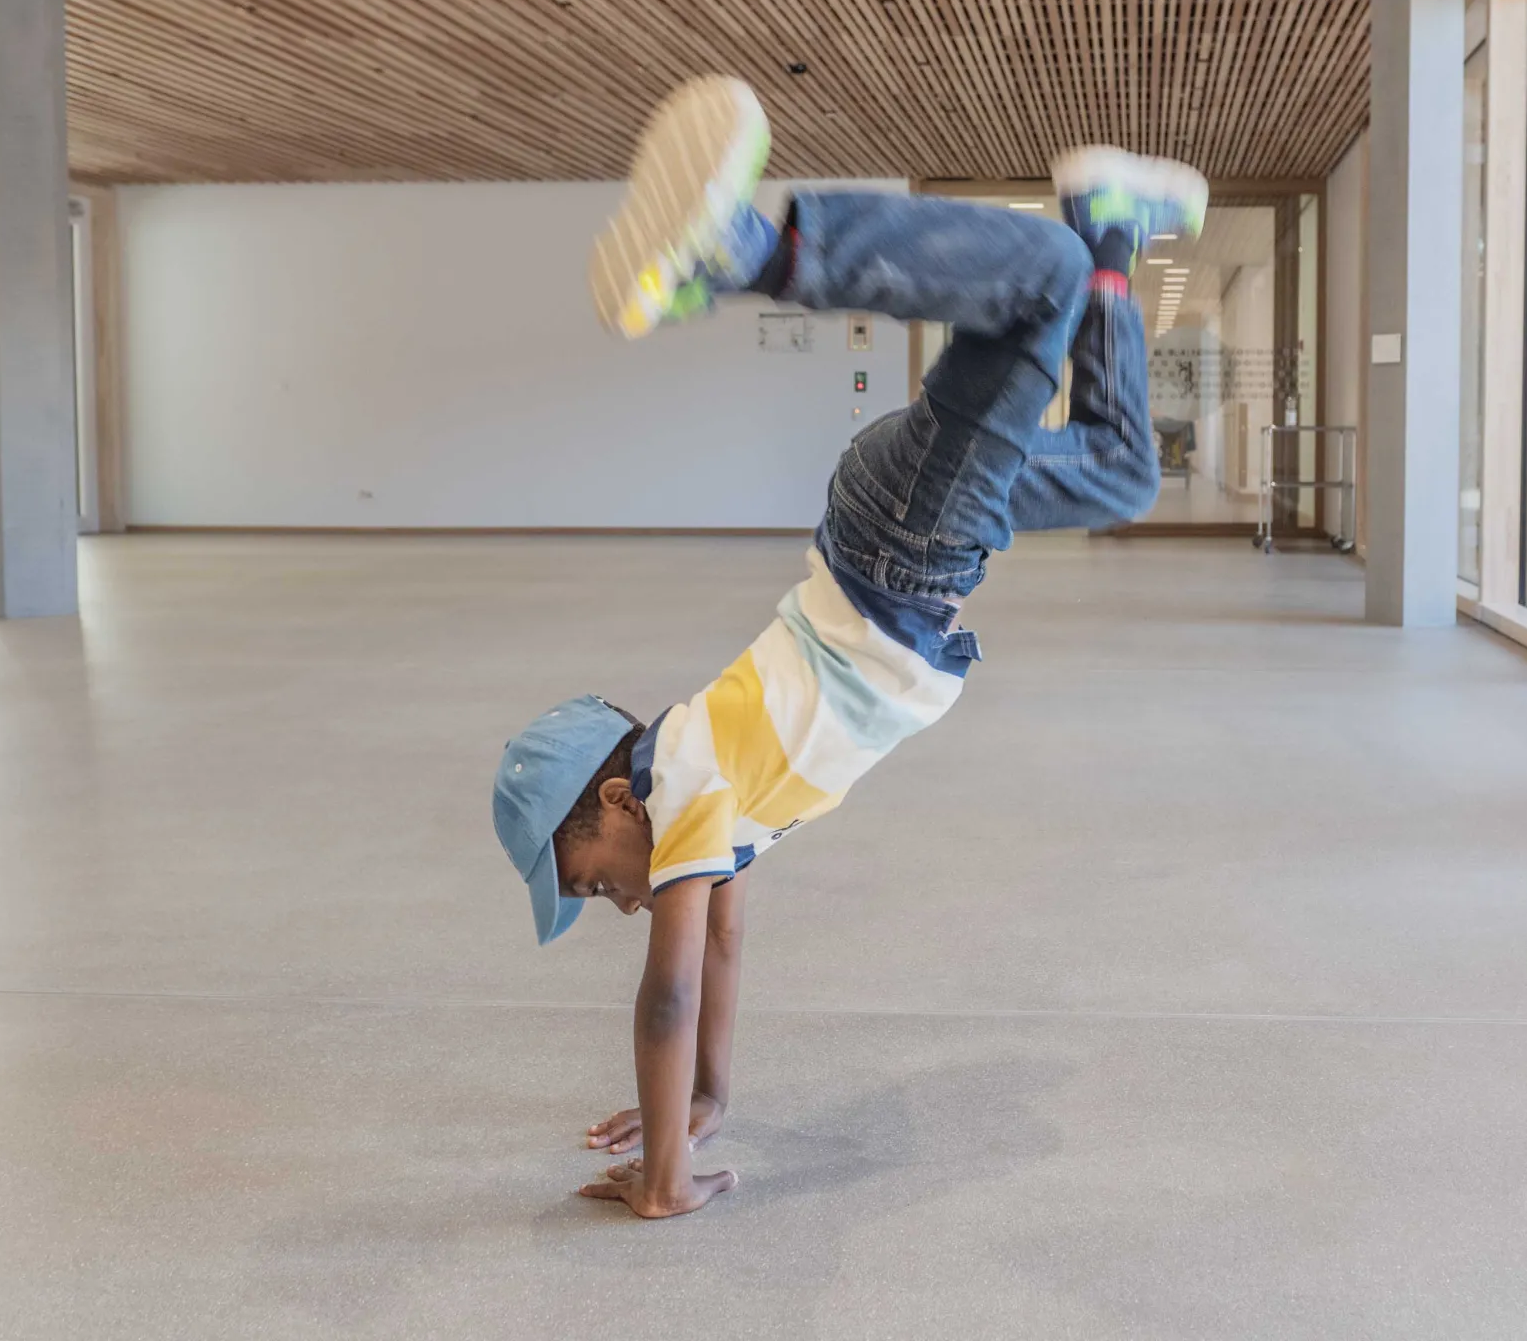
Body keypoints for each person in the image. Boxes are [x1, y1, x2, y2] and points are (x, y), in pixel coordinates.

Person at [489, 75, 1205, 1220]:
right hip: (911, 539)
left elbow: (667, 990)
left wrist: (664, 1177)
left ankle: (742, 245)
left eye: (589, 883)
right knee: (1120, 471)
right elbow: (719, 945)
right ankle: (1111, 223)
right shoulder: (701, 815)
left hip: (901, 548)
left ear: (603, 807)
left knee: (1041, 284)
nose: (617, 904)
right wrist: (702, 1106)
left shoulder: (673, 785)